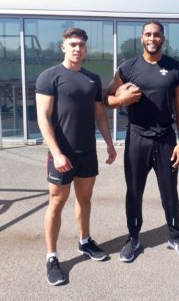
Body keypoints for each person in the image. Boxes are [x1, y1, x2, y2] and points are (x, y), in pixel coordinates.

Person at [104, 20, 179, 262]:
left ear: (163, 39)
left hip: (166, 138)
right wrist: (120, 99)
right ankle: (133, 238)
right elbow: (107, 98)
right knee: (134, 191)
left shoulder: (176, 69)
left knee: (170, 191)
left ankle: (175, 237)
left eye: (156, 34)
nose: (152, 38)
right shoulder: (128, 67)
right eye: (148, 34)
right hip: (137, 136)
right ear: (141, 38)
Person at [35, 27, 116, 286]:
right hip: (62, 153)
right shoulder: (49, 77)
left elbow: (100, 114)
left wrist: (109, 143)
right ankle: (52, 257)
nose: (77, 48)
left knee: (85, 199)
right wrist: (57, 152)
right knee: (56, 202)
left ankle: (84, 241)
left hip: (87, 152)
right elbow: (43, 118)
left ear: (86, 48)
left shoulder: (92, 79)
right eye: (72, 44)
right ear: (63, 47)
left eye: (81, 44)